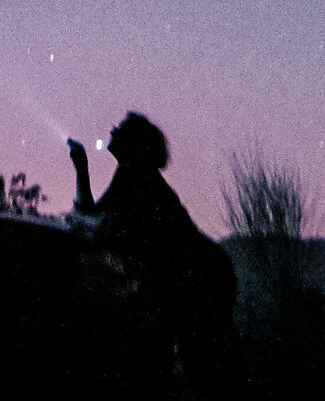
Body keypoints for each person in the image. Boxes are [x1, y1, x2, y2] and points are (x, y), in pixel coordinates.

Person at [68, 113, 238, 385]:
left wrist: (82, 170)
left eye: (121, 128)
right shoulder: (132, 174)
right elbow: (94, 215)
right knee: (203, 363)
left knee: (207, 366)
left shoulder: (137, 176)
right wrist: (81, 168)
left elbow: (93, 220)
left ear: (135, 143)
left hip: (201, 279)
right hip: (200, 277)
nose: (113, 129)